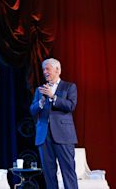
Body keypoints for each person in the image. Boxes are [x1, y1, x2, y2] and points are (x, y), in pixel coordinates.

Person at [30, 58, 78, 189]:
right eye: (43, 69)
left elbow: (71, 105)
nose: (45, 72)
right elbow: (32, 110)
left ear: (57, 70)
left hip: (63, 135)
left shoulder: (69, 87)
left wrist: (53, 97)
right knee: (49, 174)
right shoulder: (40, 90)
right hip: (44, 136)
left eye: (48, 69)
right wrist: (40, 104)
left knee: (68, 171)